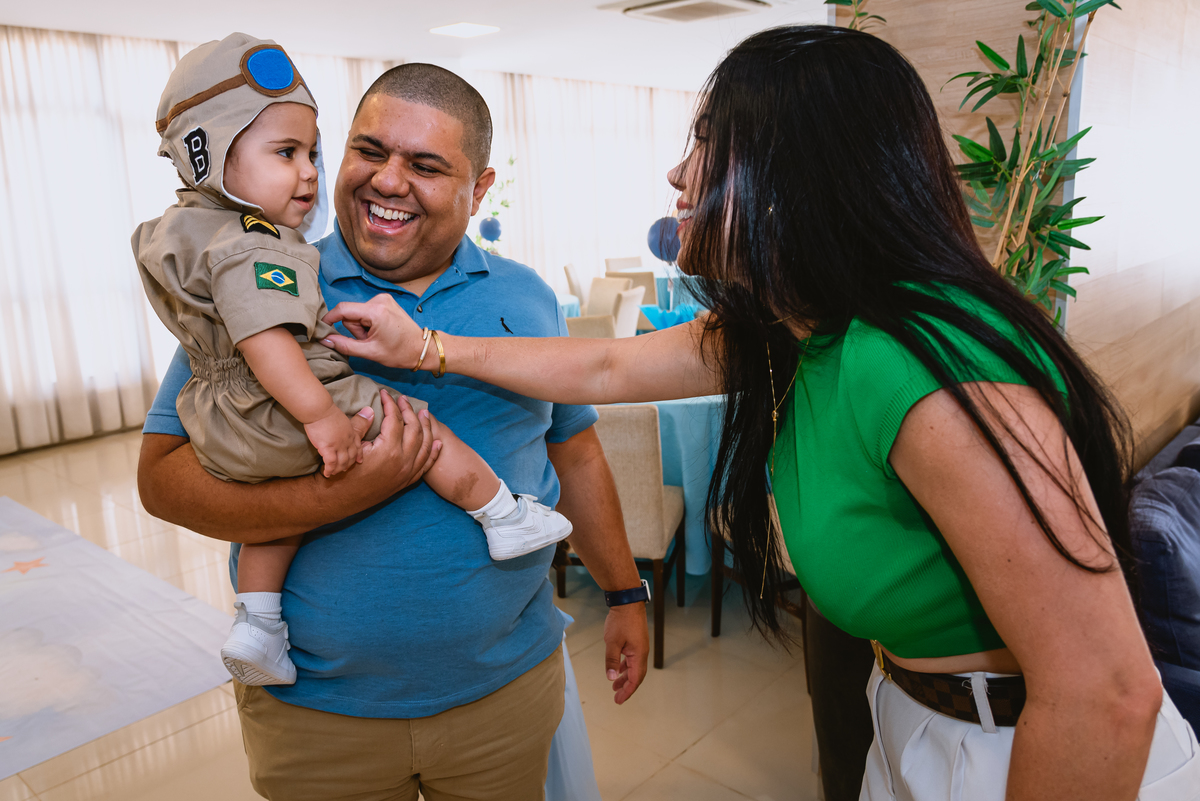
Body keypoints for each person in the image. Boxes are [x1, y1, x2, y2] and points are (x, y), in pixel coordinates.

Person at [320, 25, 1200, 801]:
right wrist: (424, 347)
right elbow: (601, 362)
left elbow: (1104, 691)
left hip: (1031, 751)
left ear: (796, 176)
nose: (678, 171)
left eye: (707, 142)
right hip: (914, 719)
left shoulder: (929, 364)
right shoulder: (794, 327)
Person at [138, 56, 648, 799]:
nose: (387, 180)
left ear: (478, 190)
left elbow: (576, 449)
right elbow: (161, 481)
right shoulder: (262, 279)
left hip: (503, 696)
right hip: (319, 714)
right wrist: (342, 493)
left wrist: (626, 592)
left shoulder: (528, 297)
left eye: (426, 165)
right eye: (369, 151)